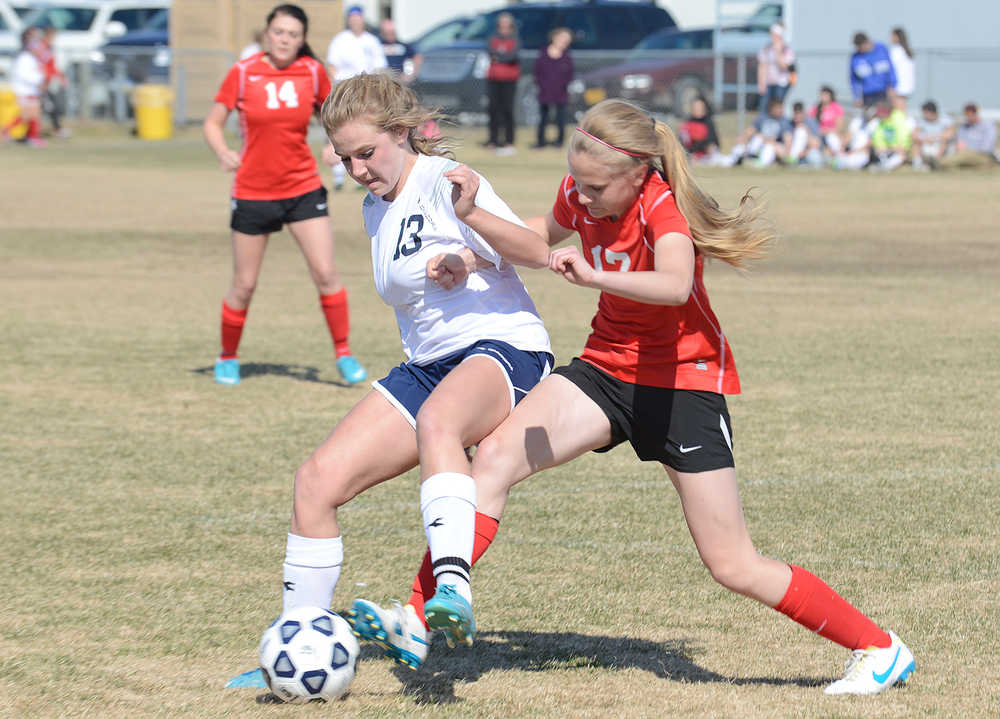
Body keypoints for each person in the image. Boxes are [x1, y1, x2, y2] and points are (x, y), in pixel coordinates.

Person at [354, 98, 916, 696]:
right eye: (580, 184)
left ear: (637, 173)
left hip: (683, 384)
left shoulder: (662, 208)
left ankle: (879, 649)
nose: (584, 198)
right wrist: (471, 241)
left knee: (732, 564)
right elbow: (538, 238)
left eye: (597, 189)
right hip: (605, 370)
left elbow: (674, 286)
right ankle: (418, 619)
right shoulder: (583, 189)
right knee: (491, 459)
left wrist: (594, 276)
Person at [279, 72, 553, 671]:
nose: (358, 170)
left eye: (367, 153)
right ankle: (296, 644)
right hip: (427, 365)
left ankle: (451, 590)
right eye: (346, 159)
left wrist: (470, 232)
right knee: (315, 482)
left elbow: (535, 250)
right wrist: (459, 255)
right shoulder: (373, 209)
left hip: (503, 347)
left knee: (439, 423)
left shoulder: (444, 180)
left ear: (402, 133)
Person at [202, 4, 366, 386]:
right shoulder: (243, 73)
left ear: (302, 40)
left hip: (303, 188)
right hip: (253, 192)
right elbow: (213, 122)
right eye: (279, 32)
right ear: (267, 33)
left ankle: (344, 353)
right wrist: (222, 150)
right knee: (244, 284)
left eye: (293, 35)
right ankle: (228, 357)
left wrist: (334, 147)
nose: (285, 40)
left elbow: (335, 118)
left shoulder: (310, 71)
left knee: (326, 273)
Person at [326, 5, 387, 189]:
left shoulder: (372, 41)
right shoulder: (340, 40)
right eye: (352, 18)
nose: (355, 21)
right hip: (345, 93)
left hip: (366, 95)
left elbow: (380, 67)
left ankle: (366, 172)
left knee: (364, 134)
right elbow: (332, 66)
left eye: (358, 17)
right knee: (341, 133)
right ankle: (338, 178)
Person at [532, 27, 573, 149]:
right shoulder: (544, 53)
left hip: (560, 91)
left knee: (560, 118)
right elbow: (537, 71)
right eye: (563, 39)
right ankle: (540, 142)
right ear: (555, 38)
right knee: (543, 117)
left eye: (567, 40)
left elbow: (570, 74)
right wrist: (541, 85)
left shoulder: (566, 56)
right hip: (545, 91)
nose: (565, 42)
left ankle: (559, 142)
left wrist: (563, 85)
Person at [485, 12, 520, 155]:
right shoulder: (493, 38)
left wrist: (500, 57)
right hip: (493, 78)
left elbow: (512, 56)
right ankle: (493, 140)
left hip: (509, 79)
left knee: (507, 109)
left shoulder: (515, 39)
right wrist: (500, 56)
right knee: (493, 109)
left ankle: (508, 140)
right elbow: (489, 50)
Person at [4, 27, 46, 147]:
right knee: (32, 116)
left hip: (30, 90)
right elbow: (24, 75)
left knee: (28, 116)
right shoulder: (24, 58)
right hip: (24, 91)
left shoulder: (31, 58)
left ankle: (11, 132)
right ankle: (32, 137)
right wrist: (38, 81)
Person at [728, 97, 792, 167]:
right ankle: (747, 157)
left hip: (774, 146)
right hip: (760, 144)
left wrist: (786, 155)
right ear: (771, 109)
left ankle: (758, 164)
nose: (781, 111)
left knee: (768, 147)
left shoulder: (784, 121)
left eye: (781, 108)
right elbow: (749, 132)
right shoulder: (762, 118)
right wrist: (743, 140)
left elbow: (788, 140)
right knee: (745, 145)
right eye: (778, 108)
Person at [939, 102, 998, 169]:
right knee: (959, 157)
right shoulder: (964, 127)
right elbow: (960, 142)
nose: (968, 117)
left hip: (983, 155)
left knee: (963, 156)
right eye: (966, 115)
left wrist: (968, 150)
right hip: (964, 153)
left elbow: (986, 148)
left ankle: (939, 162)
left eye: (969, 115)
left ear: (975, 113)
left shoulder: (988, 126)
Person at [849, 32, 896, 109]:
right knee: (870, 118)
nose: (860, 50)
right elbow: (854, 80)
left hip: (883, 92)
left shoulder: (881, 49)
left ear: (866, 43)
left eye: (861, 47)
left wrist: (892, 86)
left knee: (884, 116)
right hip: (867, 95)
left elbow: (891, 69)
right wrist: (857, 96)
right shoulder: (855, 58)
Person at [756, 23, 795, 108]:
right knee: (765, 106)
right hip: (768, 83)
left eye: (775, 35)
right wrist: (761, 83)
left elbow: (784, 67)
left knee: (777, 106)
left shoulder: (786, 50)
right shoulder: (766, 49)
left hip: (781, 83)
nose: (773, 37)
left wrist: (778, 51)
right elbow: (762, 66)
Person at [910, 100, 954, 170]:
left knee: (944, 141)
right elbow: (914, 136)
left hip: (939, 146)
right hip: (925, 145)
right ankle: (917, 165)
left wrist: (935, 138)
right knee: (916, 143)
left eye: (925, 113)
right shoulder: (921, 121)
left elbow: (950, 134)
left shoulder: (945, 120)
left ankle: (936, 162)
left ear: (932, 112)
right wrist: (925, 140)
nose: (924, 115)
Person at [679, 95, 722, 164]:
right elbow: (682, 142)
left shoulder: (708, 122)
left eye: (699, 107)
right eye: (695, 107)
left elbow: (712, 141)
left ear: (704, 108)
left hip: (706, 154)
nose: (697, 109)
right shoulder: (688, 123)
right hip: (692, 154)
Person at [778, 101, 822, 166]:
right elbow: (787, 142)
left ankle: (793, 160)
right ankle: (791, 160)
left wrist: (806, 131)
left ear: (804, 113)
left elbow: (816, 144)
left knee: (801, 131)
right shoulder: (789, 123)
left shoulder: (811, 122)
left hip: (807, 152)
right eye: (796, 114)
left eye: (799, 113)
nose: (797, 116)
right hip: (791, 152)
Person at [380, 18, 422, 84]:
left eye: (392, 32)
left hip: (398, 78)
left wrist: (410, 74)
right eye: (388, 33)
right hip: (382, 77)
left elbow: (417, 58)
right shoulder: (377, 45)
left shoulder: (403, 46)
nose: (390, 35)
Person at [809, 85, 845, 155]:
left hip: (832, 135)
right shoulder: (816, 108)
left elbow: (839, 128)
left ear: (831, 96)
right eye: (822, 94)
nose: (823, 97)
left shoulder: (836, 108)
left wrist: (826, 131)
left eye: (826, 95)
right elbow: (810, 123)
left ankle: (839, 156)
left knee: (831, 137)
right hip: (818, 137)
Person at [888, 27, 914, 108]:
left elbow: (891, 69)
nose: (890, 38)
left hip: (897, 86)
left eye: (892, 36)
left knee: (898, 110)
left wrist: (891, 86)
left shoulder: (896, 51)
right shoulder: (907, 51)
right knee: (902, 108)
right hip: (906, 85)